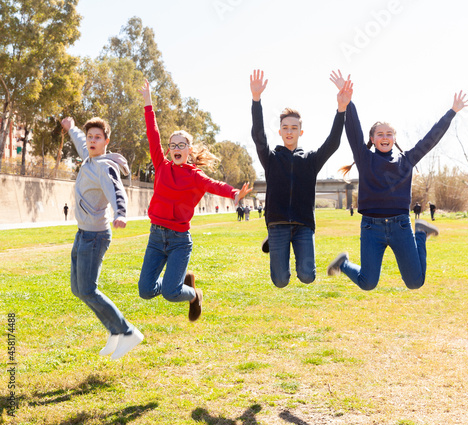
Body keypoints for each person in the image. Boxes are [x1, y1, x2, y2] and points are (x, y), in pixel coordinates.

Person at [327, 70, 468, 290]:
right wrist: (347, 104)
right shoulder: (365, 159)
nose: (385, 137)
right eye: (380, 134)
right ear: (372, 139)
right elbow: (353, 131)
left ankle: (420, 232)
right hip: (371, 228)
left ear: (394, 138)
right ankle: (344, 264)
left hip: (401, 226)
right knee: (367, 282)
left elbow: (431, 139)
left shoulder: (407, 160)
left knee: (415, 282)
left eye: (389, 134)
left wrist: (452, 112)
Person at [137, 79, 252, 321]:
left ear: (189, 150)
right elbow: (152, 133)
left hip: (179, 240)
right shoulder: (161, 165)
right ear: (169, 150)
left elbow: (214, 185)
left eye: (182, 144)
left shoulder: (195, 175)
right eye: (173, 145)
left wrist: (234, 193)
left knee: (170, 293)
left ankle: (192, 293)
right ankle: (181, 285)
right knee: (146, 291)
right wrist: (148, 102)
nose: (177, 148)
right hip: (156, 237)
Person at [250, 69, 349, 288]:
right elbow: (258, 137)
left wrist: (341, 110)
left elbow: (332, 143)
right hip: (277, 223)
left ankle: (282, 247)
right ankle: (274, 242)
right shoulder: (271, 158)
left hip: (304, 224)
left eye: (294, 128)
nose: (289, 132)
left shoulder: (311, 160)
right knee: (280, 281)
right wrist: (256, 100)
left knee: (307, 276)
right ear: (280, 131)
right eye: (285, 128)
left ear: (300, 132)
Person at [61, 116, 143, 360]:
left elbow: (117, 190)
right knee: (79, 289)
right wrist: (72, 128)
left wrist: (121, 213)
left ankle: (127, 332)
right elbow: (78, 141)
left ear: (106, 141)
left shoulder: (104, 167)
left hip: (95, 236)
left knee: (87, 289)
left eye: (98, 137)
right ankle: (115, 330)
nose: (92, 140)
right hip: (82, 233)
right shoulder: (89, 156)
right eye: (90, 137)